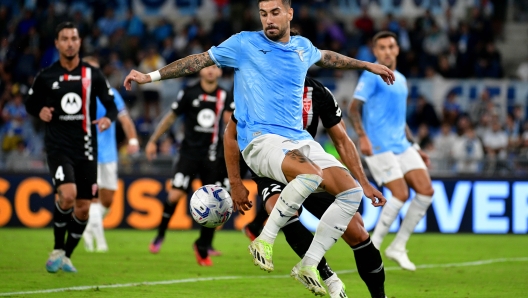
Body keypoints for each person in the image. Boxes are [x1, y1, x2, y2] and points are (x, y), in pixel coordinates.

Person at [123, 0, 393, 294]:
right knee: (310, 176)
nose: (268, 20)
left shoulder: (303, 50)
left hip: (298, 139)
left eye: (275, 13)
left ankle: (310, 264)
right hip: (260, 140)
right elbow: (199, 60)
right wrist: (148, 77)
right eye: (263, 14)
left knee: (352, 192)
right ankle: (264, 238)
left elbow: (327, 57)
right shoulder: (243, 44)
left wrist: (367, 64)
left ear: (290, 13)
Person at [232, 76, 386, 298]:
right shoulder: (259, 84)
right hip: (272, 164)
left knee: (357, 232)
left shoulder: (318, 92)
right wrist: (235, 182)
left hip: (308, 163)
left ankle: (380, 297)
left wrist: (363, 181)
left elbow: (342, 140)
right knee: (283, 212)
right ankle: (328, 277)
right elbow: (231, 135)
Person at [24, 22, 117, 273]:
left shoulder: (92, 74)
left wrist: (108, 117)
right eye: (64, 38)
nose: (69, 42)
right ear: (57, 43)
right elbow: (30, 103)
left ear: (79, 42)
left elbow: (111, 104)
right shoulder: (47, 76)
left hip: (86, 146)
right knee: (67, 194)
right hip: (58, 145)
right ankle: (56, 248)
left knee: (84, 207)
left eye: (73, 38)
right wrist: (39, 110)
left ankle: (66, 255)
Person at [349, 31, 434, 271]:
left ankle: (397, 246)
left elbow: (400, 120)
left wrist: (416, 147)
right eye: (382, 48)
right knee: (400, 193)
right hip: (378, 145)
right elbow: (353, 108)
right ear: (375, 52)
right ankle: (372, 248)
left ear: (397, 49)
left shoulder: (402, 79)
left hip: (402, 145)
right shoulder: (372, 75)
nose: (387, 51)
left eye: (391, 47)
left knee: (426, 192)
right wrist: (362, 137)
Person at [146, 64, 232, 266]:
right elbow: (171, 117)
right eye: (207, 67)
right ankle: (160, 234)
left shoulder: (225, 95)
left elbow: (230, 123)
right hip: (188, 155)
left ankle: (204, 245)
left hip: (212, 156)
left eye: (215, 67)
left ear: (220, 72)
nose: (210, 70)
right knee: (175, 195)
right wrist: (153, 140)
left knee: (217, 203)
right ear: (200, 70)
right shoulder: (189, 92)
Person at [81, 56, 139, 253]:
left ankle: (88, 229)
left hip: (109, 155)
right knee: (94, 197)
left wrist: (132, 140)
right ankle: (100, 242)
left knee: (107, 200)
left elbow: (125, 119)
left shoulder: (111, 93)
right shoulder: (78, 95)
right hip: (87, 153)